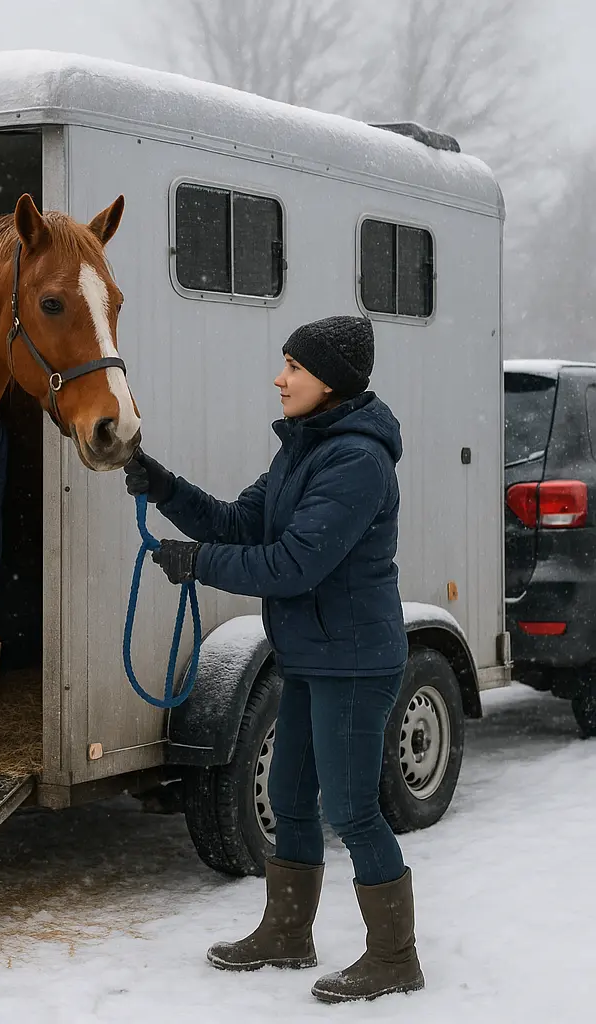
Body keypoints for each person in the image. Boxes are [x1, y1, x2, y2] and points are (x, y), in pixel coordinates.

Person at [123, 315, 424, 1003]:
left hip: (352, 660)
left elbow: (293, 565)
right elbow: (239, 523)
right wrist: (164, 487)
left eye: (292, 366)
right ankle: (288, 934)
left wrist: (197, 563)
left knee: (351, 809)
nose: (279, 377)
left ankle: (395, 957)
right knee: (289, 795)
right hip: (312, 654)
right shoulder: (304, 449)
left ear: (331, 381)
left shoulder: (356, 461)